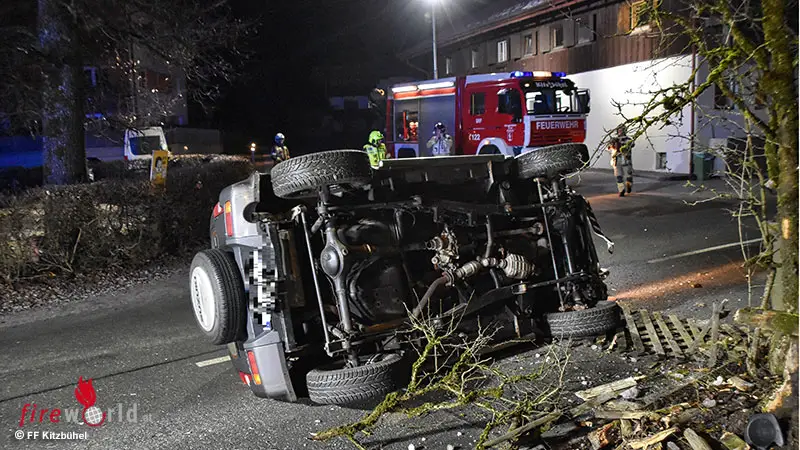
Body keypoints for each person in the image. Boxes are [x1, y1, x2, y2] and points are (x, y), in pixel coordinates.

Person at [608, 125, 634, 196]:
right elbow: (609, 148)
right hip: (617, 159)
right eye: (619, 130)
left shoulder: (628, 139)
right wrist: (612, 143)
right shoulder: (615, 139)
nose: (620, 131)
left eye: (621, 130)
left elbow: (632, 144)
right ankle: (621, 190)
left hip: (626, 159)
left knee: (628, 175)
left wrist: (622, 142)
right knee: (618, 176)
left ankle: (629, 185)